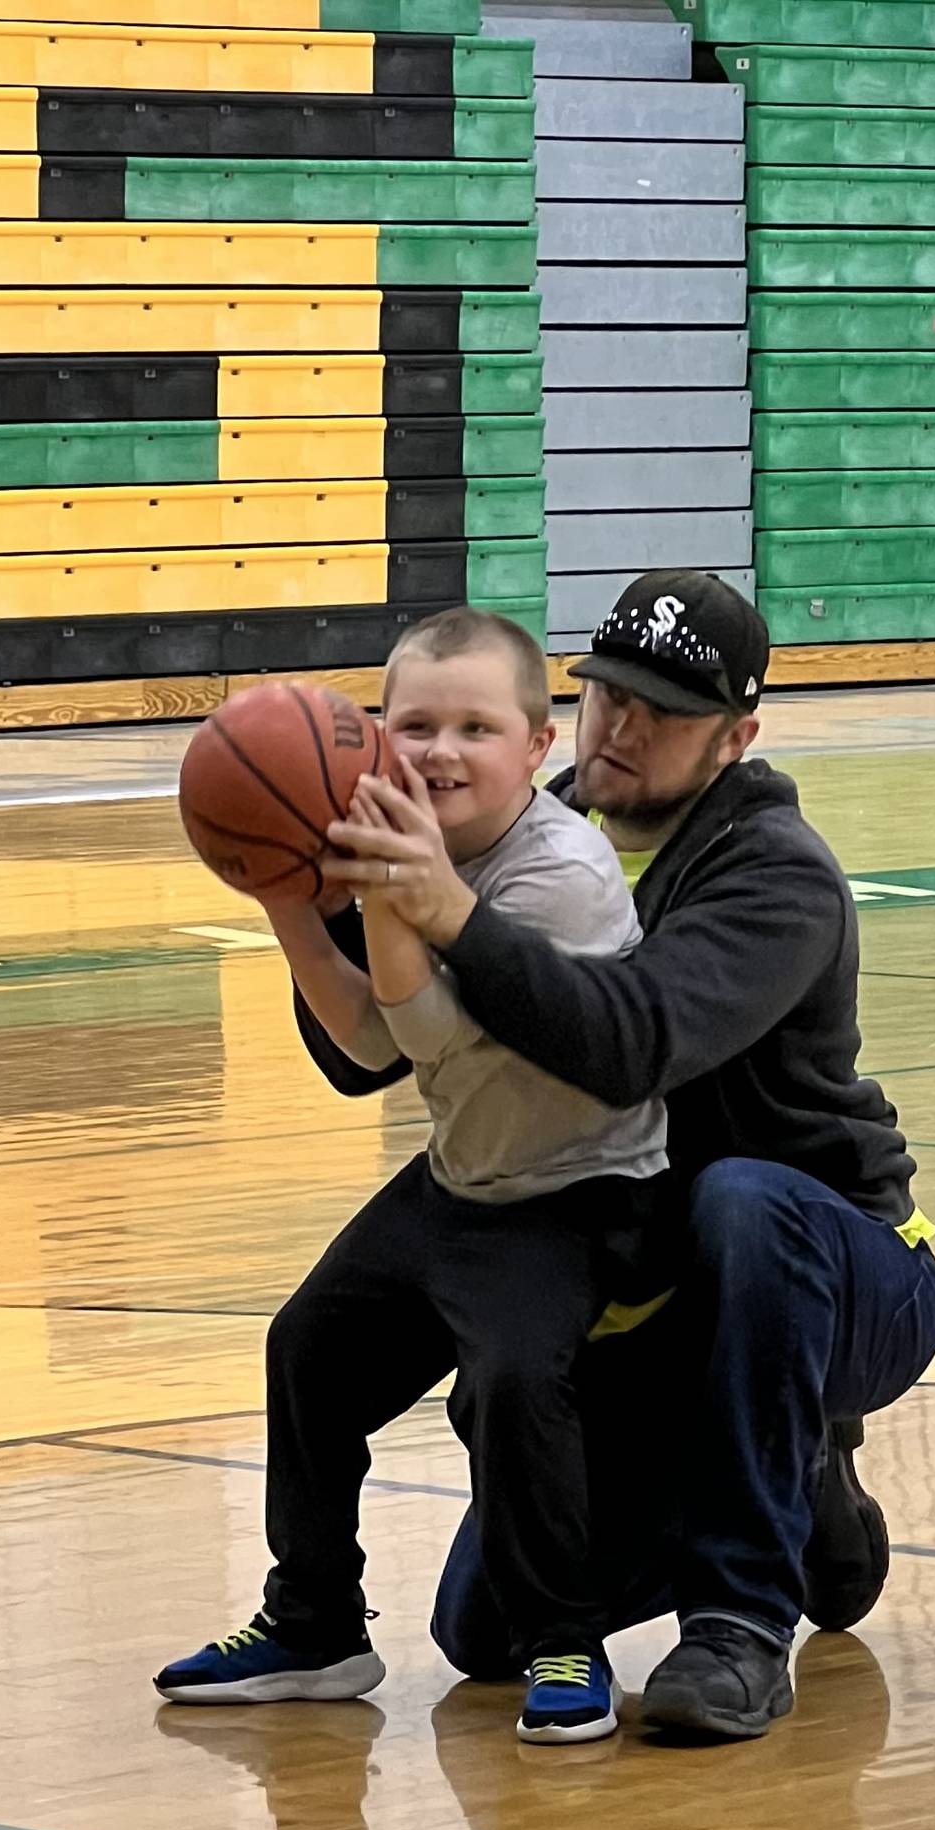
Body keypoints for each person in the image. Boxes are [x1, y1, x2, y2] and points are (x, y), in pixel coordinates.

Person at [324, 572, 935, 1741]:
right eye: (609, 693)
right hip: (651, 1253)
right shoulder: (542, 817)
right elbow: (372, 1058)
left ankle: (741, 1626)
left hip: (847, 1257)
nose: (623, 724)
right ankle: (801, 1479)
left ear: (737, 736)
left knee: (743, 1202)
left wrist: (449, 909)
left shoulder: (777, 873)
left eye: (664, 708)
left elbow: (632, 1044)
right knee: (487, 1631)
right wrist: (322, 903)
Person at [156, 607, 672, 1743]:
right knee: (309, 1349)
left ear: (538, 747)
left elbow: (426, 1036)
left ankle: (563, 1641)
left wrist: (389, 891)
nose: (440, 750)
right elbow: (364, 1047)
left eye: (476, 727)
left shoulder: (561, 876)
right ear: (374, 730)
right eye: (415, 722)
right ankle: (317, 1622)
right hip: (466, 1176)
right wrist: (286, 897)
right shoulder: (383, 840)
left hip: (583, 1193)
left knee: (512, 1384)